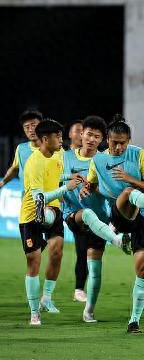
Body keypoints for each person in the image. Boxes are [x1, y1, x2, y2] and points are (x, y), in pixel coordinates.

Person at [80, 115, 144, 333]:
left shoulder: (139, 155)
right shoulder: (98, 160)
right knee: (127, 193)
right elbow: (93, 185)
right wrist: (87, 188)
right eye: (114, 142)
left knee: (143, 270)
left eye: (122, 143)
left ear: (129, 141)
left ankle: (134, 321)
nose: (118, 147)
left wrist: (130, 178)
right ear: (107, 139)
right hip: (120, 213)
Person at [61, 116, 129, 323]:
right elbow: (53, 180)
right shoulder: (65, 157)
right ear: (81, 134)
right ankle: (117, 240)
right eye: (89, 134)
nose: (91, 139)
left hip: (100, 221)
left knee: (95, 268)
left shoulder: (103, 160)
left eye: (96, 137)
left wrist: (94, 187)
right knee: (86, 214)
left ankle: (89, 311)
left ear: (102, 140)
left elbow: (112, 193)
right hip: (73, 214)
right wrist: (67, 183)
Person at [20, 119, 80, 325]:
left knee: (56, 252)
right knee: (34, 261)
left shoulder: (57, 154)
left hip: (53, 209)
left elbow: (54, 174)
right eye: (57, 136)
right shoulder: (34, 162)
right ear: (45, 139)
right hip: (32, 215)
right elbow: (38, 199)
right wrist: (66, 188)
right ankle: (34, 311)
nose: (61, 140)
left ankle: (46, 298)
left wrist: (69, 176)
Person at [63, 119, 89, 303]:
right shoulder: (64, 156)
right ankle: (79, 289)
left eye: (83, 132)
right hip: (72, 210)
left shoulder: (94, 157)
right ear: (70, 135)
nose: (81, 135)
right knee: (82, 248)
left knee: (90, 251)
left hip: (93, 209)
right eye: (78, 131)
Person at [0, 110, 43, 190]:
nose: (31, 130)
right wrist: (3, 182)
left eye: (34, 125)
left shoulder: (54, 149)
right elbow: (15, 169)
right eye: (27, 127)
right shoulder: (21, 149)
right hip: (26, 197)